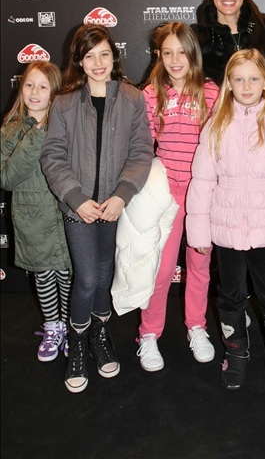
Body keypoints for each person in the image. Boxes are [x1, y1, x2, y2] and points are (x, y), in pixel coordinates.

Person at [186, 48, 265, 396]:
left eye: (253, 78)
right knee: (230, 295)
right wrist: (199, 232)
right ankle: (236, 354)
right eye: (238, 79)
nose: (246, 85)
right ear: (228, 82)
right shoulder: (216, 124)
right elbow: (202, 181)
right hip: (225, 230)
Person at [41, 24, 154, 393]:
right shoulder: (64, 103)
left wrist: (122, 195)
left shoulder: (133, 99)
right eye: (89, 56)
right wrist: (75, 199)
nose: (98, 62)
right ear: (79, 61)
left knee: (105, 277)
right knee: (87, 278)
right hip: (79, 209)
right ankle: (77, 343)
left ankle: (100, 336)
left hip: (113, 207)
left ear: (114, 55)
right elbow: (53, 157)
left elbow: (141, 153)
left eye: (104, 53)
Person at [136, 22, 220, 371]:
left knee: (199, 264)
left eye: (181, 52)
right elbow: (143, 146)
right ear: (158, 55)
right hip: (165, 194)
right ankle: (148, 333)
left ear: (193, 54)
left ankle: (196, 326)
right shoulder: (150, 93)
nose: (174, 60)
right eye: (167, 52)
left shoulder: (211, 92)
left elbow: (219, 145)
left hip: (201, 193)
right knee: (160, 267)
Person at [1, 62, 72, 363]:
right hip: (32, 218)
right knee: (43, 275)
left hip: (65, 214)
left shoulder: (67, 127)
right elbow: (6, 178)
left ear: (54, 92)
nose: (34, 92)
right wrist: (37, 134)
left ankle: (69, 326)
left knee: (68, 275)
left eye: (43, 86)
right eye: (29, 84)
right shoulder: (11, 129)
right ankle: (52, 326)